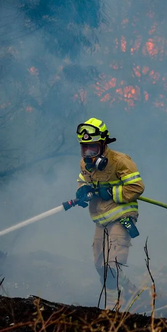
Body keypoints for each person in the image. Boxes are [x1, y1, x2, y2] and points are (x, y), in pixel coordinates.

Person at [71, 118, 144, 296]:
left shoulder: (120, 161)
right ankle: (128, 289)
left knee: (113, 264)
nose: (88, 153)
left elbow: (137, 187)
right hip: (101, 220)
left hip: (121, 218)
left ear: (103, 144)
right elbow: (82, 181)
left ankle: (113, 306)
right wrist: (82, 191)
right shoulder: (84, 164)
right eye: (84, 147)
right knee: (99, 265)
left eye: (93, 147)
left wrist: (112, 192)